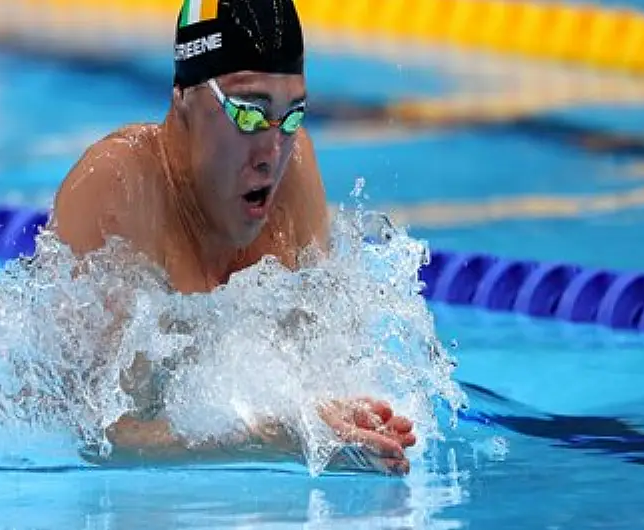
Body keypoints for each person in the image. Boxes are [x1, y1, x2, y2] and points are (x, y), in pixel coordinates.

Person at [50, 0, 415, 476]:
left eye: (292, 115)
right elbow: (100, 433)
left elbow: (318, 362)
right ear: (183, 96)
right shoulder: (119, 188)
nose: (273, 151)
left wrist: (335, 417)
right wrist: (271, 435)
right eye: (249, 114)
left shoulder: (294, 169)